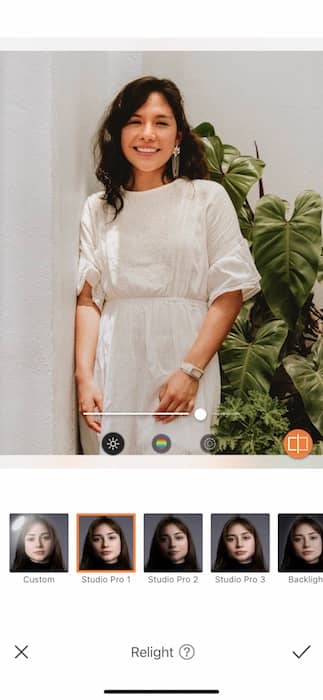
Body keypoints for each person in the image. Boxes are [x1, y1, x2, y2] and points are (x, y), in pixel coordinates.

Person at [76, 76, 261, 455]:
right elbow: (88, 299)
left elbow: (230, 291)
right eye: (135, 121)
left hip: (182, 361)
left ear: (178, 137)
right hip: (115, 368)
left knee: (180, 490)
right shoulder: (98, 208)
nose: (147, 134)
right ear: (118, 132)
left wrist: (190, 372)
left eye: (161, 123)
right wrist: (84, 377)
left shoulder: (206, 198)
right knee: (115, 495)